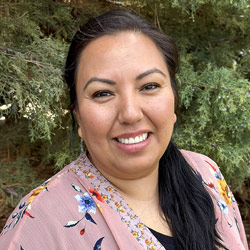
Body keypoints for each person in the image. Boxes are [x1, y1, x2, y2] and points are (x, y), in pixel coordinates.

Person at [0, 9, 248, 250]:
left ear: (173, 98)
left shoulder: (206, 175)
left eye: (149, 86)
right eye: (103, 93)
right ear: (78, 116)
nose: (130, 113)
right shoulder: (39, 224)